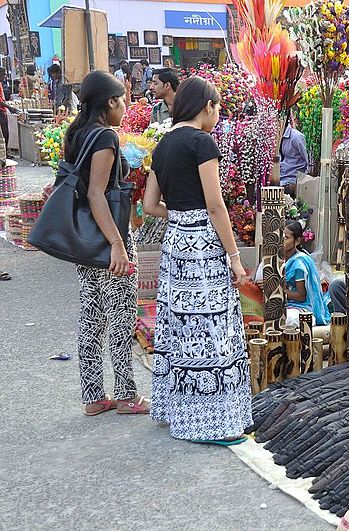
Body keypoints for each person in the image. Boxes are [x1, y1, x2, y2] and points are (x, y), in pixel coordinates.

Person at [143, 76, 252, 444]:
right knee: (211, 328)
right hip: (203, 246)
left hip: (176, 244)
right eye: (218, 107)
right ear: (207, 106)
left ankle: (181, 413)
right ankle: (213, 422)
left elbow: (147, 205)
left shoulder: (163, 145)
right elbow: (215, 203)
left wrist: (178, 214)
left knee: (180, 328)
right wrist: (235, 256)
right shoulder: (202, 143)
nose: (218, 114)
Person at [62, 71, 148, 416]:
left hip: (85, 240)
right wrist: (117, 243)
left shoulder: (75, 135)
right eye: (123, 99)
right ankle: (127, 394)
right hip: (110, 237)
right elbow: (98, 194)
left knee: (92, 316)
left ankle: (94, 396)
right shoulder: (104, 138)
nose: (126, 106)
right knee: (121, 317)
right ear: (110, 102)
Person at [255, 221, 330, 326]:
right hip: (274, 303)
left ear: (297, 241)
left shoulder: (299, 262)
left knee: (289, 319)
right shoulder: (271, 259)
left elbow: (301, 296)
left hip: (298, 307)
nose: (281, 241)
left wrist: (275, 288)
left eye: (285, 238)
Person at [279, 120, 309, 195]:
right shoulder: (276, 137)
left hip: (292, 180)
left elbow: (309, 161)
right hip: (280, 179)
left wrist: (303, 183)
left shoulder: (297, 137)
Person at [0, 68, 19, 150]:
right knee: (5, 133)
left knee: (5, 133)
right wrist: (10, 108)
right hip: (1, 111)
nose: (4, 76)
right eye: (3, 74)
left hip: (3, 110)